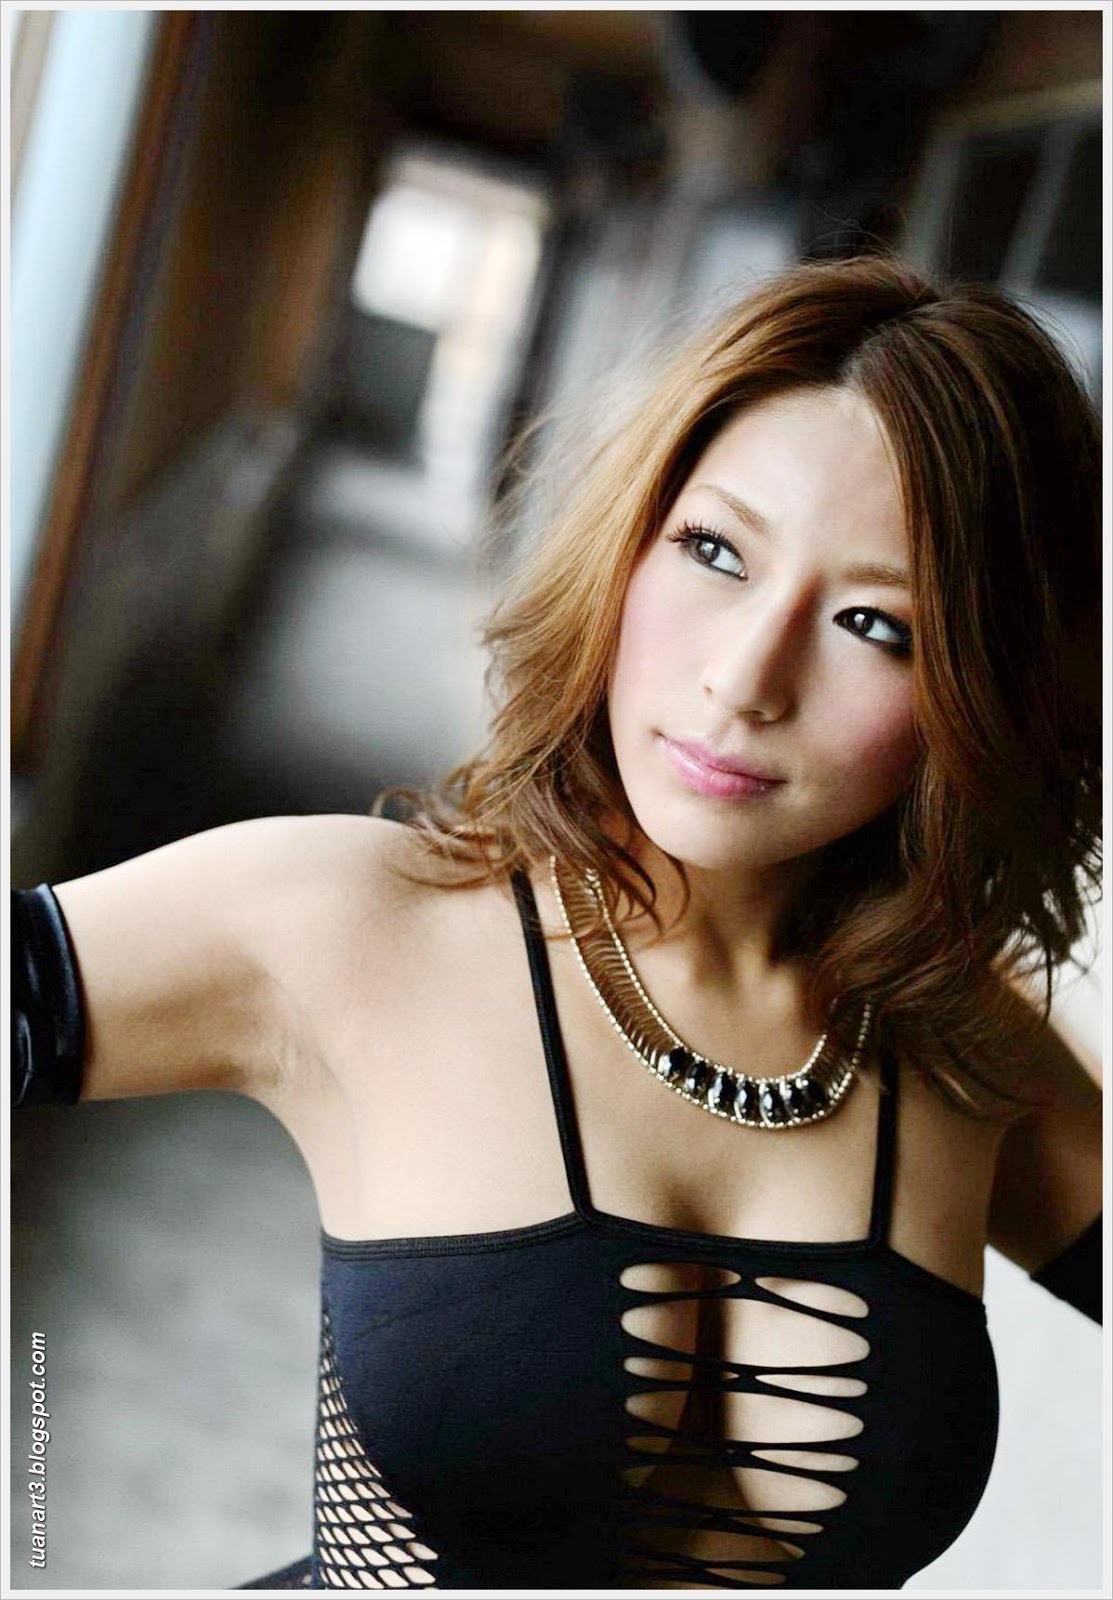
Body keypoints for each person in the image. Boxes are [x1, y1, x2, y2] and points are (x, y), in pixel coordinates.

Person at [13, 254, 1102, 1591]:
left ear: (983, 695)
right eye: (714, 552)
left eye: (875, 625)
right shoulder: (348, 921)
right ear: (627, 544)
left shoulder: (965, 1051)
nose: (743, 679)